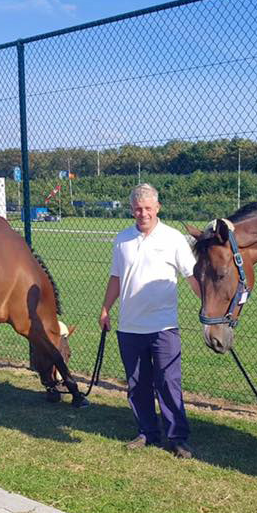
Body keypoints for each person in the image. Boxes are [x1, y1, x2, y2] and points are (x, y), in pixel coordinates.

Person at [100, 184, 201, 458]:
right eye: (137, 208)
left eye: (147, 208)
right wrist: (105, 308)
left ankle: (176, 437)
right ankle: (147, 431)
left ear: (157, 208)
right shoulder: (122, 239)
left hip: (164, 327)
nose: (142, 213)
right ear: (132, 209)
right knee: (138, 383)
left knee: (169, 381)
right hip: (129, 327)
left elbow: (191, 276)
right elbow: (116, 278)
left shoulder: (174, 239)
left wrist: (208, 305)